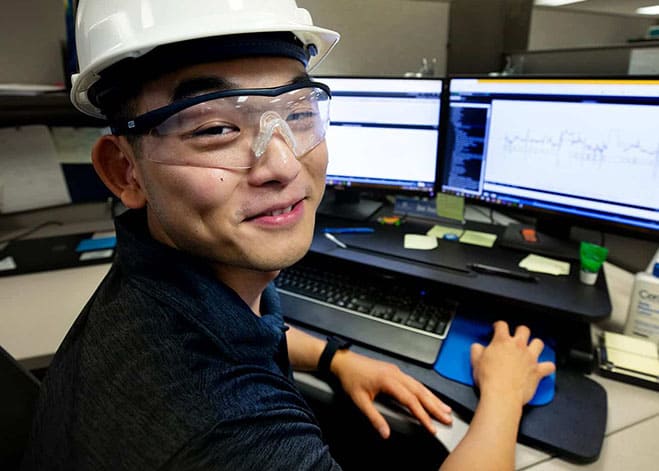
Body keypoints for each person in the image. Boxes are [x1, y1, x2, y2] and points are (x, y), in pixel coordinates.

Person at [22, 1, 555, 470]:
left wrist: (335, 359)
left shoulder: (171, 278)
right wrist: (504, 394)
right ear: (124, 171)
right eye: (214, 128)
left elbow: (243, 329)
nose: (283, 164)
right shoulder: (221, 430)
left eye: (299, 113)